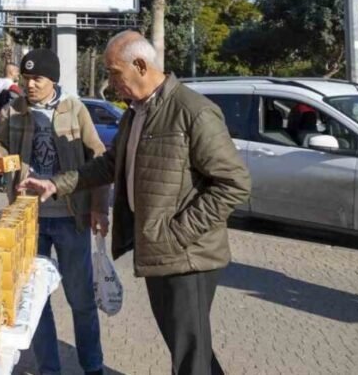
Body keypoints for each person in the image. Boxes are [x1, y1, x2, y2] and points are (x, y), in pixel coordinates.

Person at [20, 31, 251, 375]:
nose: (111, 83)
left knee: (189, 354)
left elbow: (234, 184)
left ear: (141, 65)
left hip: (188, 256)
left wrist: (176, 235)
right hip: (160, 251)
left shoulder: (193, 111)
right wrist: (56, 184)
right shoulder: (134, 114)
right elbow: (109, 165)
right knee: (189, 348)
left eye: (115, 72)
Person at [0, 49, 108, 375]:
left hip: (71, 217)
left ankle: (93, 366)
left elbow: (99, 158)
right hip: (28, 219)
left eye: (37, 78)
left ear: (53, 79)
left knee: (80, 300)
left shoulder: (74, 109)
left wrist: (99, 207)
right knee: (34, 301)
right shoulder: (13, 111)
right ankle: (49, 370)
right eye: (26, 79)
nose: (30, 85)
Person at [0, 62, 23, 191]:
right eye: (16, 72)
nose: (18, 75)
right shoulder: (13, 88)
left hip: (0, 122)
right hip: (11, 124)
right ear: (11, 72)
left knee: (0, 151)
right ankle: (5, 182)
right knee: (10, 153)